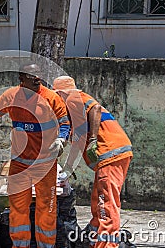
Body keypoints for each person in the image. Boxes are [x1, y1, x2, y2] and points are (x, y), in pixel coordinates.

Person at [0, 63, 70, 248]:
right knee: (18, 209)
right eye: (31, 75)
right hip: (20, 165)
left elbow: (65, 123)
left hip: (45, 165)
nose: (37, 77)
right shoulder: (12, 96)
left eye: (38, 74)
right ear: (21, 79)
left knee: (47, 208)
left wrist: (61, 139)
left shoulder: (51, 98)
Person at [53, 76, 133, 248]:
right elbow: (78, 142)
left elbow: (95, 108)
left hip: (110, 153)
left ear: (60, 94)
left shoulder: (74, 99)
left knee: (106, 204)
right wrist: (68, 166)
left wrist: (94, 140)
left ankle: (107, 245)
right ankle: (93, 240)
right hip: (112, 154)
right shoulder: (74, 113)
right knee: (98, 202)